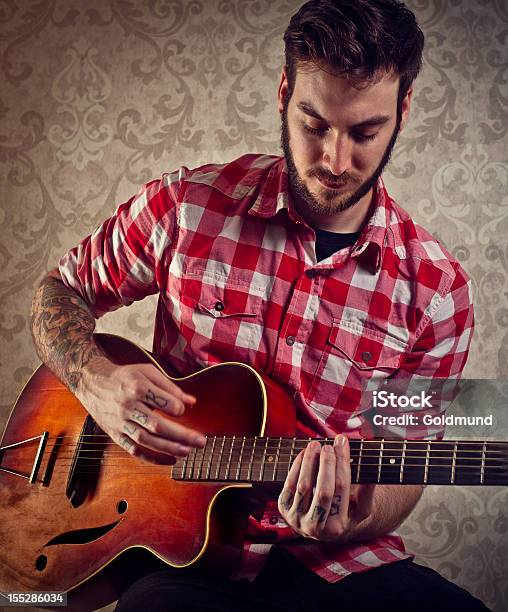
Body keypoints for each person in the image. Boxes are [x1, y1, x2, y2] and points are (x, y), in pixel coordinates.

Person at [30, 1, 484, 610]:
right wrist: (94, 380)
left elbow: (406, 468)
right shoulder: (185, 206)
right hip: (173, 549)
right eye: (315, 124)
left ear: (402, 113)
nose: (335, 160)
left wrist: (348, 518)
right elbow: (60, 290)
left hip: (335, 564)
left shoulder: (438, 294)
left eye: (365, 132)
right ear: (282, 94)